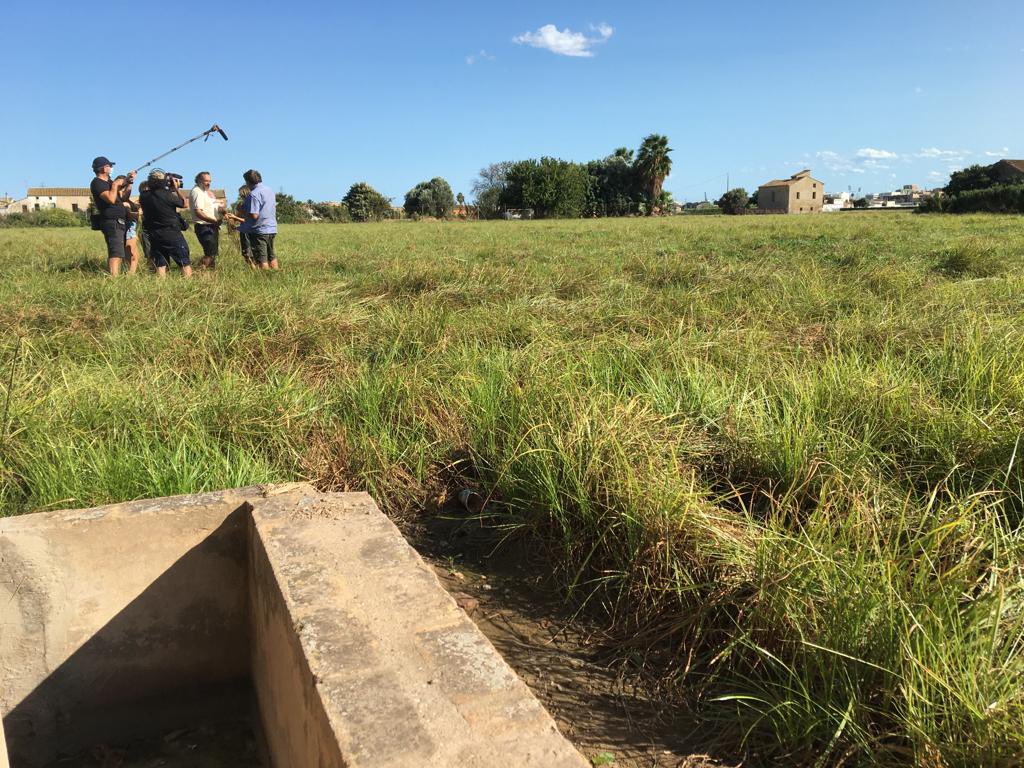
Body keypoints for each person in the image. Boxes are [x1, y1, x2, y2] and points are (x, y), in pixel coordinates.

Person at [139, 170, 192, 278]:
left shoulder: (143, 196)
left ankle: (160, 288)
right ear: (164, 181)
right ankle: (188, 282)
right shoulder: (168, 195)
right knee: (184, 262)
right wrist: (176, 189)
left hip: (154, 233)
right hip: (171, 233)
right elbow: (185, 204)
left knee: (161, 263)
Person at [89, 156, 136, 275]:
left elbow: (122, 197)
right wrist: (115, 185)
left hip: (119, 220)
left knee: (119, 252)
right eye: (109, 166)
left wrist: (129, 182)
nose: (111, 168)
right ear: (104, 168)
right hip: (111, 221)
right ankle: (114, 279)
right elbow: (110, 199)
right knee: (115, 252)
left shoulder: (109, 182)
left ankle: (116, 277)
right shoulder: (97, 183)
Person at [242, 169, 278, 270]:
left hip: (259, 230)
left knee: (262, 260)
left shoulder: (254, 194)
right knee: (272, 256)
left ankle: (265, 280)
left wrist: (242, 212)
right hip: (272, 228)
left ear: (248, 181)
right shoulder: (269, 190)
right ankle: (275, 276)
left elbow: (254, 215)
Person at [189, 171, 221, 269]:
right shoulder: (197, 192)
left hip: (211, 225)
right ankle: (199, 272)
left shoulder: (204, 192)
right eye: (206, 181)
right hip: (204, 226)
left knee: (212, 254)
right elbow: (199, 212)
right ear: (199, 181)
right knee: (209, 254)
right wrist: (214, 221)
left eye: (209, 181)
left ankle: (211, 277)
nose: (208, 183)